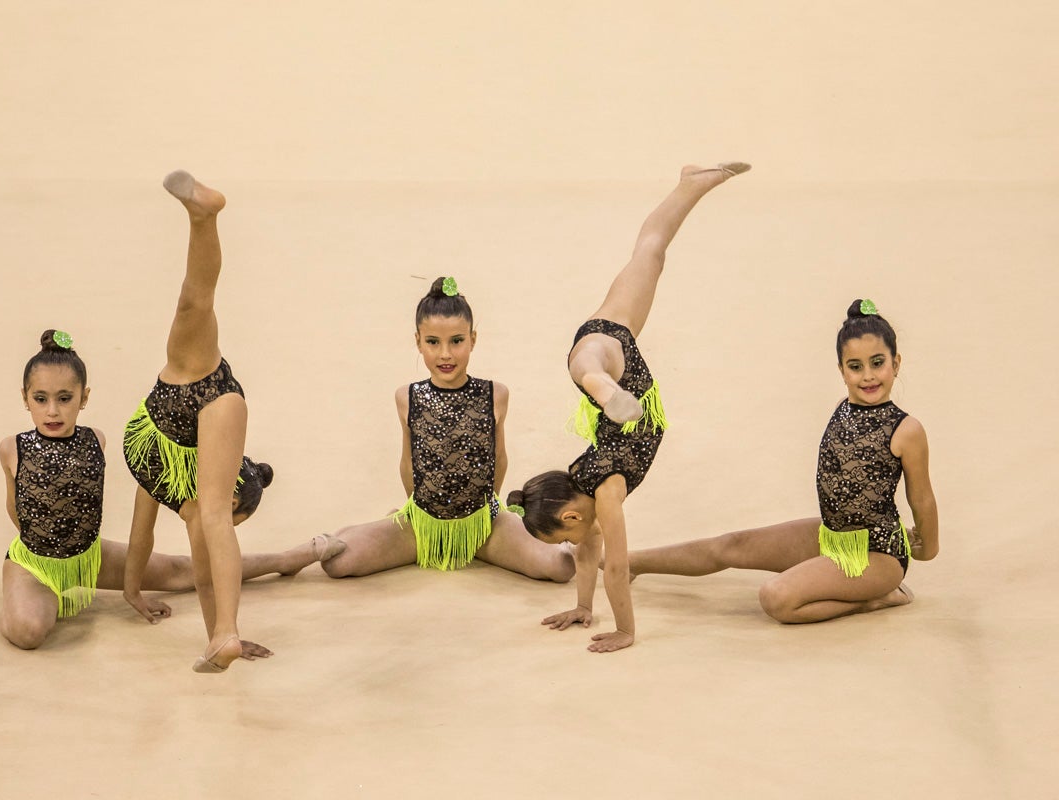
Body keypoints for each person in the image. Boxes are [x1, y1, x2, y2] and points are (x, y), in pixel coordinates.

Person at [508, 162, 749, 653]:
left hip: (611, 369)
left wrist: (626, 630)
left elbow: (615, 564)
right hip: (616, 342)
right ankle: (692, 182)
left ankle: (602, 391)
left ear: (572, 520)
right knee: (651, 253)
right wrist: (582, 607)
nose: (572, 546)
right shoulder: (584, 484)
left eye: (563, 540)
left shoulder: (607, 494)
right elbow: (589, 555)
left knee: (587, 365)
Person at [121, 171, 344, 673]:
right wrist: (221, 634)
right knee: (193, 304)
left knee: (193, 303)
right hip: (202, 396)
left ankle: (204, 216)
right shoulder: (192, 501)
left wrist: (135, 588)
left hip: (189, 390)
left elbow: (149, 537)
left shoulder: (190, 501)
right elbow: (154, 544)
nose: (222, 512)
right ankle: (225, 634)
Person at [0, 330, 333, 651]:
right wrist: (50, 554)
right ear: (24, 398)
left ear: (84, 397)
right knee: (27, 632)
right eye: (40, 399)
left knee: (181, 570)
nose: (53, 411)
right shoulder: (11, 449)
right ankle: (33, 596)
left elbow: (149, 527)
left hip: (90, 557)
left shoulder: (96, 441)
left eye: (65, 398)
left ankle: (288, 558)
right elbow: (16, 512)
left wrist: (133, 589)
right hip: (35, 563)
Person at [624, 299, 939, 623]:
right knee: (730, 545)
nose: (868, 376)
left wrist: (927, 548)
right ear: (841, 369)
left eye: (878, 363)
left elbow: (922, 497)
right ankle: (631, 562)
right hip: (832, 536)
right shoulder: (843, 406)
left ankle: (876, 598)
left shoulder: (906, 429)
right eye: (855, 366)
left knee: (776, 598)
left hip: (878, 555)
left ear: (896, 363)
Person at [297, 277, 574, 582]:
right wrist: (412, 511)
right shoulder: (407, 396)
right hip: (424, 524)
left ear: (473, 339)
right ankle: (381, 526)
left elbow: (499, 457)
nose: (445, 354)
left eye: (456, 341)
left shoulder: (496, 394)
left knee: (559, 567)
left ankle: (488, 536)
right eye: (433, 342)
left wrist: (489, 513)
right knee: (338, 564)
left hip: (482, 524)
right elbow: (408, 461)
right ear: (418, 341)